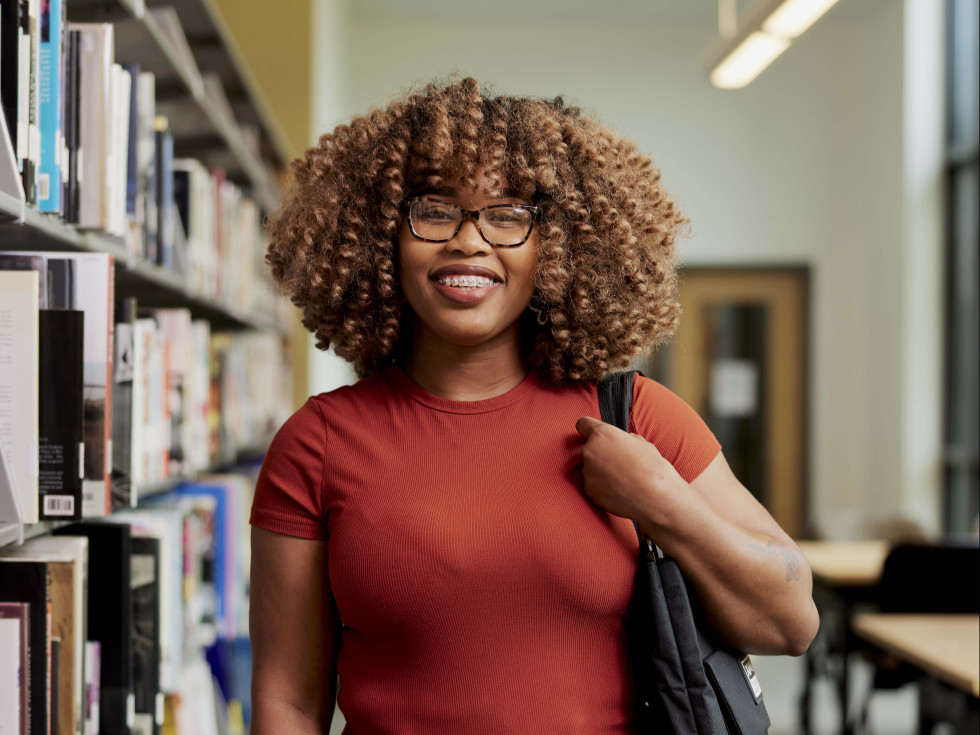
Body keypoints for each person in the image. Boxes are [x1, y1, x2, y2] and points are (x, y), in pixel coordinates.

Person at [248, 77, 819, 735]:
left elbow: (791, 620)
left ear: (557, 245)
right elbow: (288, 701)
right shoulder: (317, 442)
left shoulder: (635, 416)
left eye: (508, 214)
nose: (468, 241)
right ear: (381, 238)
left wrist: (663, 500)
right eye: (434, 209)